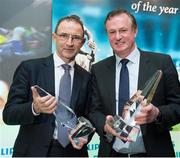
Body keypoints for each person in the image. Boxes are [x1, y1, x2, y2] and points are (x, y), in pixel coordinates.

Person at [88, 8, 180, 157]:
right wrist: (105, 125)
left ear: (135, 31)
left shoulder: (162, 63)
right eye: (112, 32)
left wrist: (157, 113)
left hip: (153, 152)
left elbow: (177, 106)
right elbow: (93, 110)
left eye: (123, 30)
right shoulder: (98, 69)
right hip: (112, 153)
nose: (118, 37)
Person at [3, 15, 92, 157]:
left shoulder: (87, 77)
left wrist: (84, 134)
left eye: (75, 38)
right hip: (33, 151)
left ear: (82, 43)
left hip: (73, 152)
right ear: (54, 37)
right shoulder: (29, 69)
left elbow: (88, 117)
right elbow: (9, 115)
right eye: (63, 36)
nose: (69, 43)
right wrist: (35, 108)